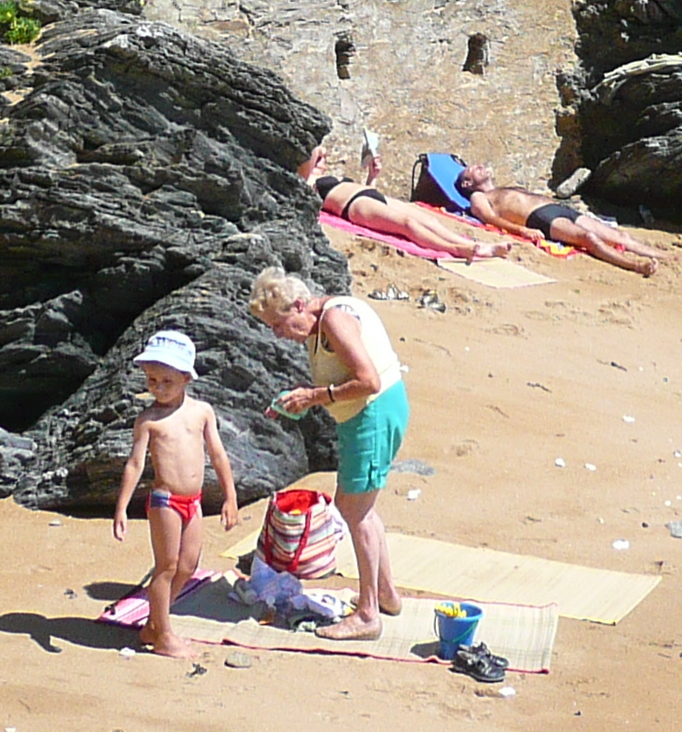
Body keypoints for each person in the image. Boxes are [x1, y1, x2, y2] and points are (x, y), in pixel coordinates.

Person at [250, 268, 410, 641]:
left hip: (374, 414)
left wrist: (315, 396)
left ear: (301, 305)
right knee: (358, 506)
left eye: (279, 324)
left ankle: (369, 614)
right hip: (365, 416)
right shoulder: (319, 322)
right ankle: (385, 594)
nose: (278, 334)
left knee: (356, 511)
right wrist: (300, 402)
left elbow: (367, 381)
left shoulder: (335, 319)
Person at [108, 330, 238, 662]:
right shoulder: (149, 421)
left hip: (192, 502)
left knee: (188, 565)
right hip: (164, 502)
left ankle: (154, 622)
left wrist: (230, 497)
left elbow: (218, 455)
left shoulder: (201, 412)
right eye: (152, 380)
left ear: (185, 377)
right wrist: (122, 507)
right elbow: (135, 464)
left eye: (167, 380)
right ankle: (163, 634)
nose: (159, 387)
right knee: (165, 567)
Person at [456, 165, 660, 276]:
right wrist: (521, 230)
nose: (479, 166)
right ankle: (635, 266)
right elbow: (490, 219)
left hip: (557, 208)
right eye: (472, 169)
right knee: (588, 238)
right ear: (467, 183)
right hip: (539, 217)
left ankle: (677, 258)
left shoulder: (505, 187)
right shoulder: (478, 198)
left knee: (620, 236)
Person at [303, 144, 488, 259]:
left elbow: (370, 189)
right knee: (407, 224)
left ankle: (470, 245)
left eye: (323, 160)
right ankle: (455, 248)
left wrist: (372, 175)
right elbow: (315, 150)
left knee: (429, 220)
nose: (322, 161)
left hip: (372, 196)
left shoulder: (327, 178)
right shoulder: (307, 182)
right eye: (319, 160)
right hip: (354, 205)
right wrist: (317, 153)